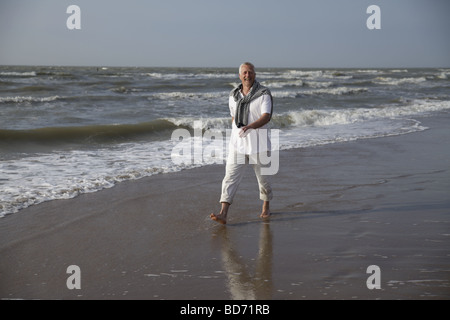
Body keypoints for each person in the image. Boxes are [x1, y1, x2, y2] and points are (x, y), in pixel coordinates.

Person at [210, 62, 273, 225]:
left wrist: (250, 126)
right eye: (244, 73)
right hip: (237, 146)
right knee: (229, 178)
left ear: (255, 74)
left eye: (250, 72)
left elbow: (266, 116)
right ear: (239, 75)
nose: (247, 75)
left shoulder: (264, 93)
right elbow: (233, 117)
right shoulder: (233, 95)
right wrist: (238, 132)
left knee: (264, 180)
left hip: (259, 146)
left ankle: (266, 205)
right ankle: (223, 213)